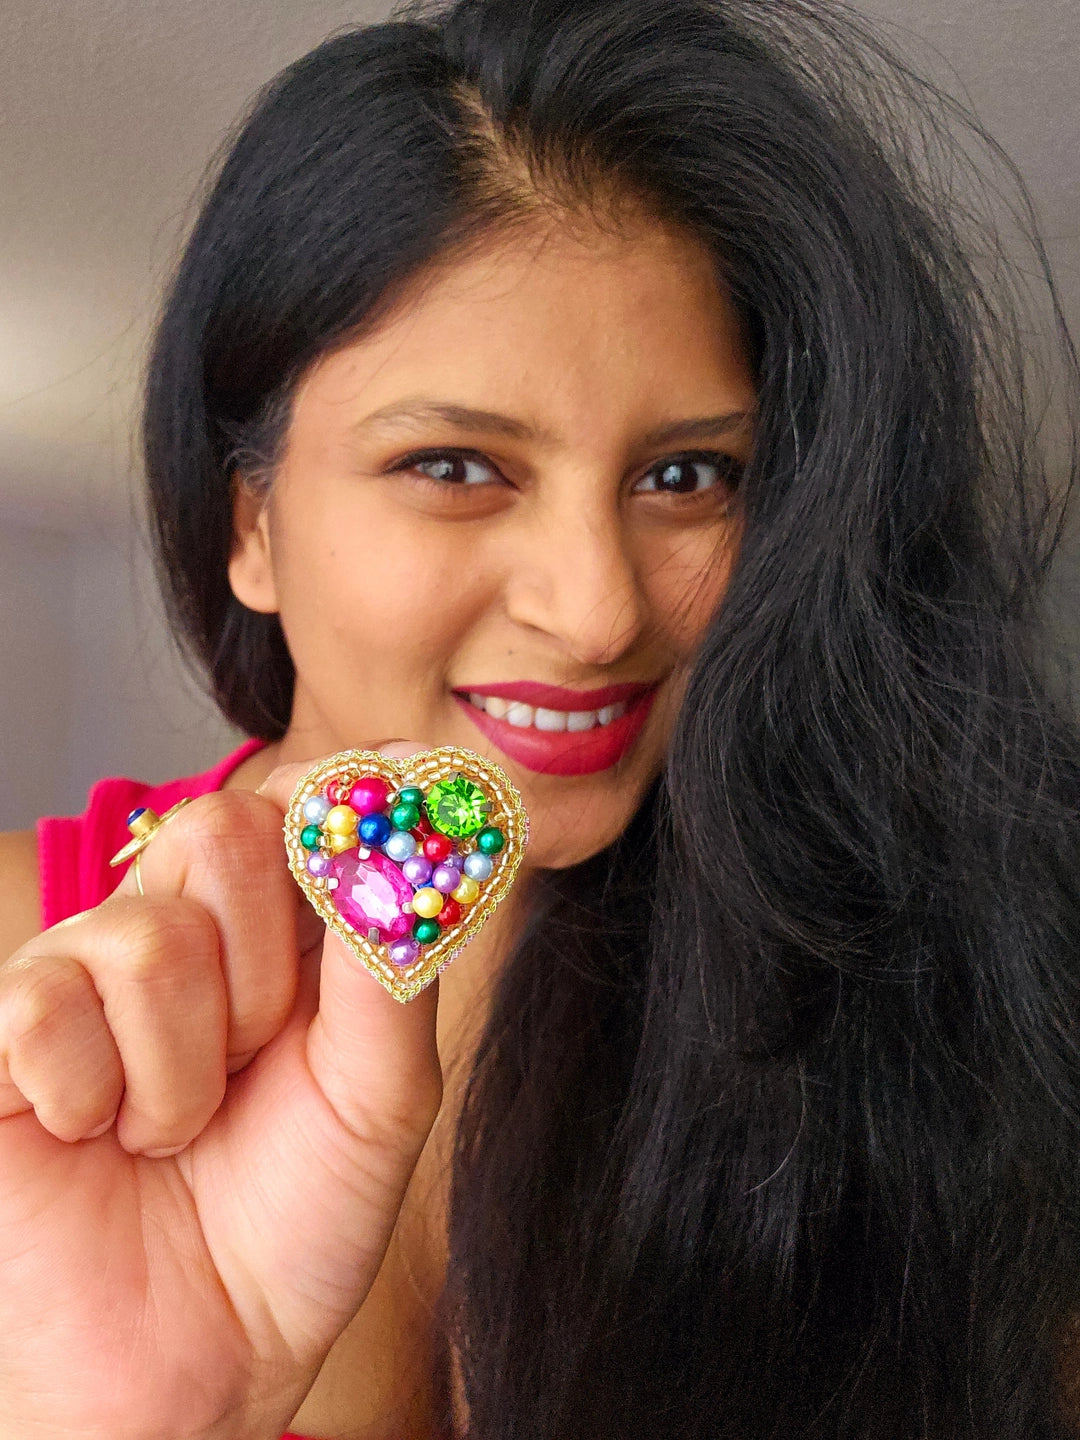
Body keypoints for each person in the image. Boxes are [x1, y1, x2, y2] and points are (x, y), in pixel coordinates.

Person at [1, 0, 1079, 1435]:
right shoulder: (29, 1000)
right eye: (455, 465)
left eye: (688, 478)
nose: (597, 613)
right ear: (247, 519)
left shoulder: (960, 1029)